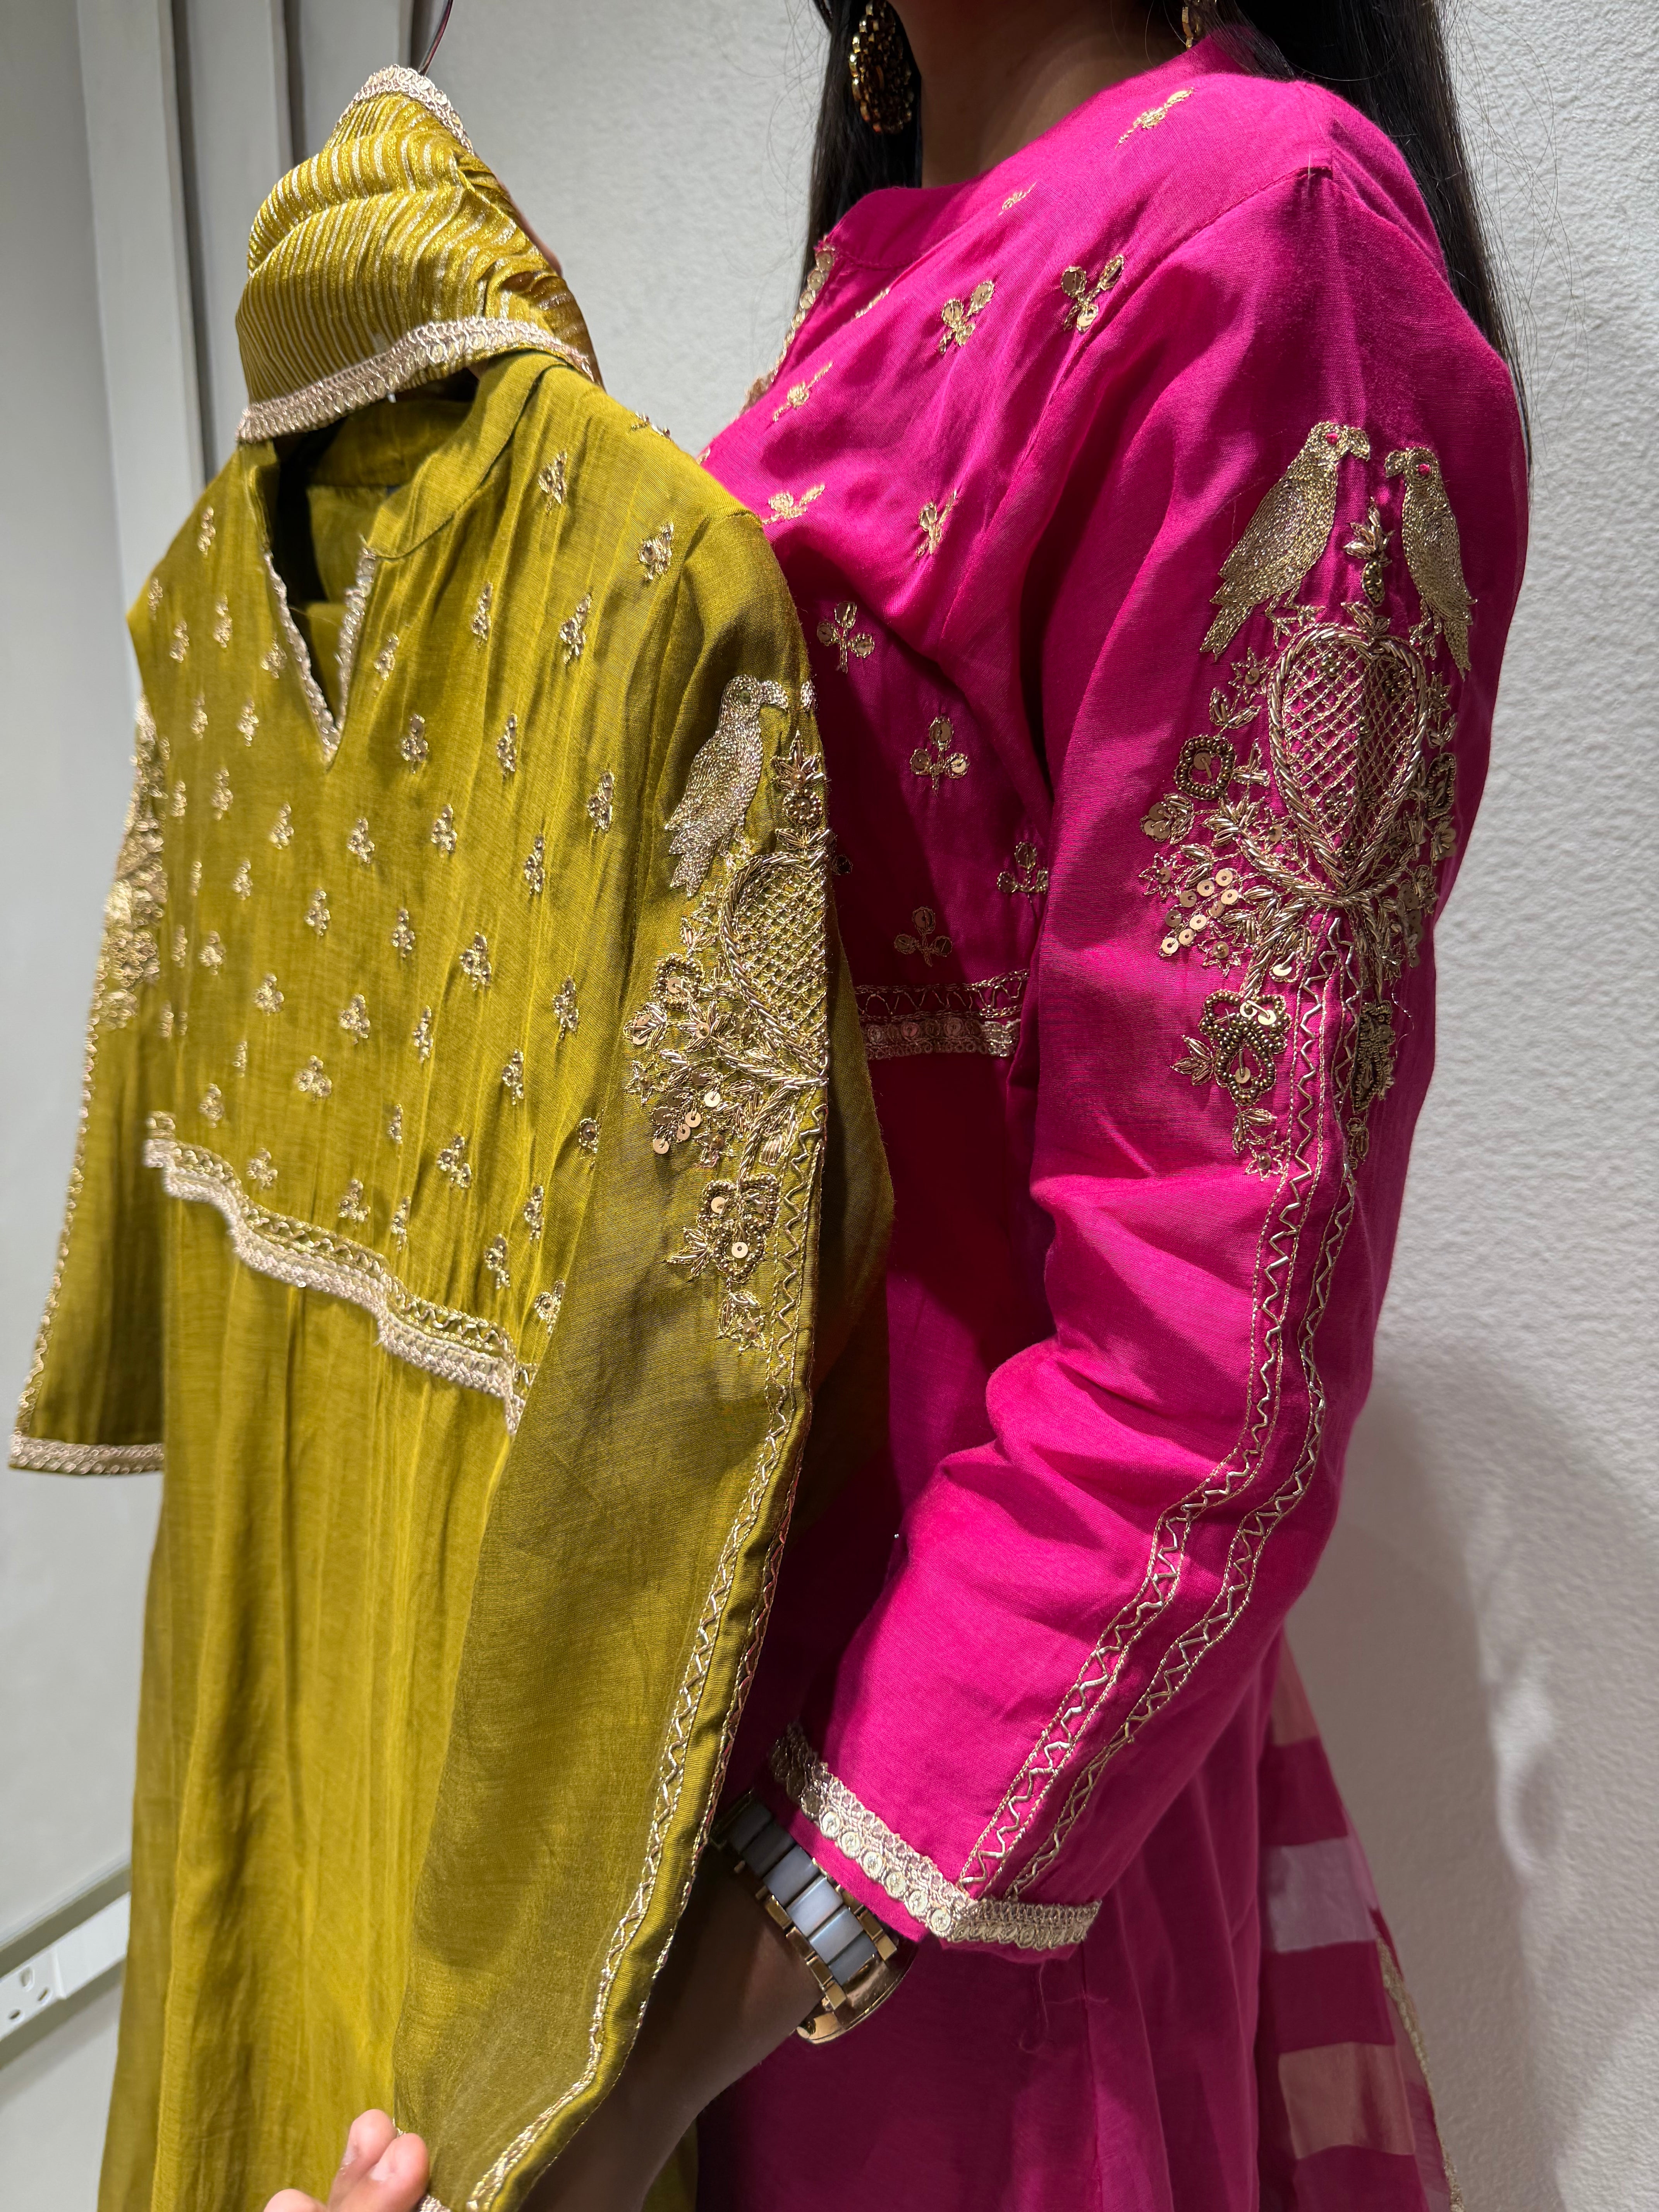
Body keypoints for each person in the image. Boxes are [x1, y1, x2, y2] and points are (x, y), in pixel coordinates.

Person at [267, 2, 1527, 2207]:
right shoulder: (875, 292)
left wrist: (656, 2059)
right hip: (668, 1789)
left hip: (905, 1883)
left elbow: (1199, 1378)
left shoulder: (1257, 235)